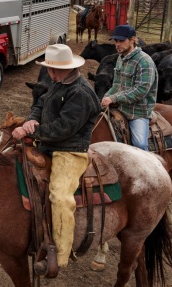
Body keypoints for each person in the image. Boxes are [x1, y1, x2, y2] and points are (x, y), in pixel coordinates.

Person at [11, 44, 100, 271]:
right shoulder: (57, 82)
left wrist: (31, 131)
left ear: (68, 68)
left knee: (60, 197)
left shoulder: (81, 93)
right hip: (48, 143)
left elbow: (64, 129)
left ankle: (60, 256)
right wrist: (30, 119)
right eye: (49, 69)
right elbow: (40, 104)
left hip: (69, 150)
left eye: (54, 69)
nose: (50, 74)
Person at [101, 24, 158, 151]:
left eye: (121, 41)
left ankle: (148, 167)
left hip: (138, 112)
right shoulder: (120, 59)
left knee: (139, 145)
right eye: (116, 41)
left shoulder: (144, 61)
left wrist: (114, 98)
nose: (118, 44)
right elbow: (116, 85)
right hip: (121, 107)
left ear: (132, 40)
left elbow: (141, 90)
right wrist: (105, 97)